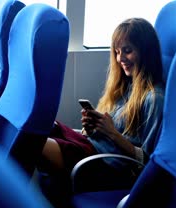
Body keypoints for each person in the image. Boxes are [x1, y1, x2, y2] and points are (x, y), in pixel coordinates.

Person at [39, 17, 165, 185]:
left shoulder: (154, 98)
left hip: (106, 164)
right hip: (91, 146)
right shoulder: (125, 87)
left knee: (32, 143)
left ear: (145, 52)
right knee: (41, 126)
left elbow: (147, 161)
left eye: (127, 50)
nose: (120, 59)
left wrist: (111, 133)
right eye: (117, 52)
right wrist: (92, 129)